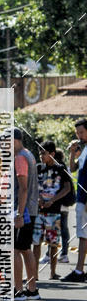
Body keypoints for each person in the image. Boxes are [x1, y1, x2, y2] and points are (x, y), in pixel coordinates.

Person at [32, 141, 71, 282]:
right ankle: (34, 274)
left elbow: (67, 188)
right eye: (40, 153)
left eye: (44, 153)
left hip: (54, 212)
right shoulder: (37, 168)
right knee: (36, 243)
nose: (41, 156)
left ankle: (52, 273)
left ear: (52, 154)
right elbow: (32, 186)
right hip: (38, 212)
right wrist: (38, 199)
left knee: (53, 244)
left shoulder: (61, 169)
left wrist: (53, 200)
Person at [13, 127, 40, 301]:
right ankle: (32, 289)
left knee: (14, 250)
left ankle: (18, 291)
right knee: (26, 249)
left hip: (24, 210)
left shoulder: (20, 157)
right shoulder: (29, 154)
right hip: (31, 208)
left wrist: (19, 214)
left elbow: (23, 188)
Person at [63, 119, 87, 282]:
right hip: (81, 198)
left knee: (83, 234)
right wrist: (72, 152)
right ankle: (79, 270)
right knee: (82, 235)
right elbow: (72, 169)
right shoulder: (84, 150)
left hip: (85, 199)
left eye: (82, 132)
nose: (79, 136)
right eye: (77, 133)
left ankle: (79, 271)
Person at [54, 149, 71, 263]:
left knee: (59, 229)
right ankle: (63, 253)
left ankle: (63, 253)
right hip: (64, 204)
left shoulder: (60, 168)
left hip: (61, 204)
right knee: (62, 228)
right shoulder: (63, 167)